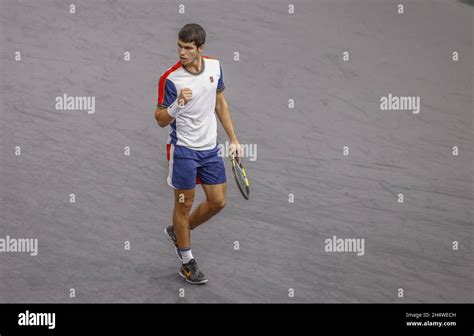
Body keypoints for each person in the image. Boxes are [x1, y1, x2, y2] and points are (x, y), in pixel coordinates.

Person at [155, 23, 242, 285]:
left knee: (218, 202)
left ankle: (180, 232)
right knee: (184, 204)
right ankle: (187, 262)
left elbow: (220, 102)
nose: (182, 53)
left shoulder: (214, 67)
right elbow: (159, 119)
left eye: (188, 48)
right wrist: (177, 103)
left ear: (200, 49)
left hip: (210, 149)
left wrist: (234, 139)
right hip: (183, 151)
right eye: (180, 47)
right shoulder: (170, 79)